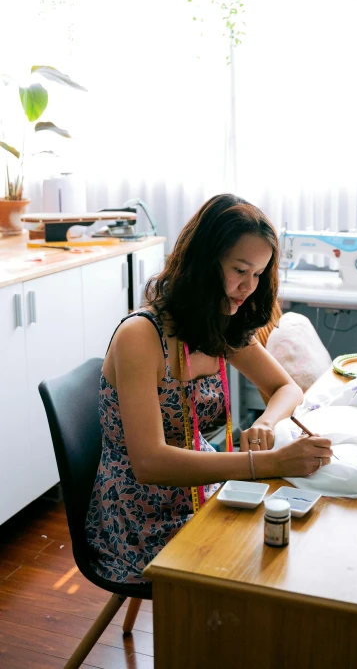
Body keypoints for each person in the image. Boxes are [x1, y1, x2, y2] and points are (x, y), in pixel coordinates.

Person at [86, 193, 332, 584]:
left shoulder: (219, 324)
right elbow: (150, 464)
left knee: (299, 540)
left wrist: (267, 423)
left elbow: (286, 389)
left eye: (258, 275)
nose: (247, 288)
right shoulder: (141, 337)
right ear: (203, 261)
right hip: (139, 519)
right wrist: (271, 463)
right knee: (270, 565)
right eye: (239, 270)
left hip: (204, 488)